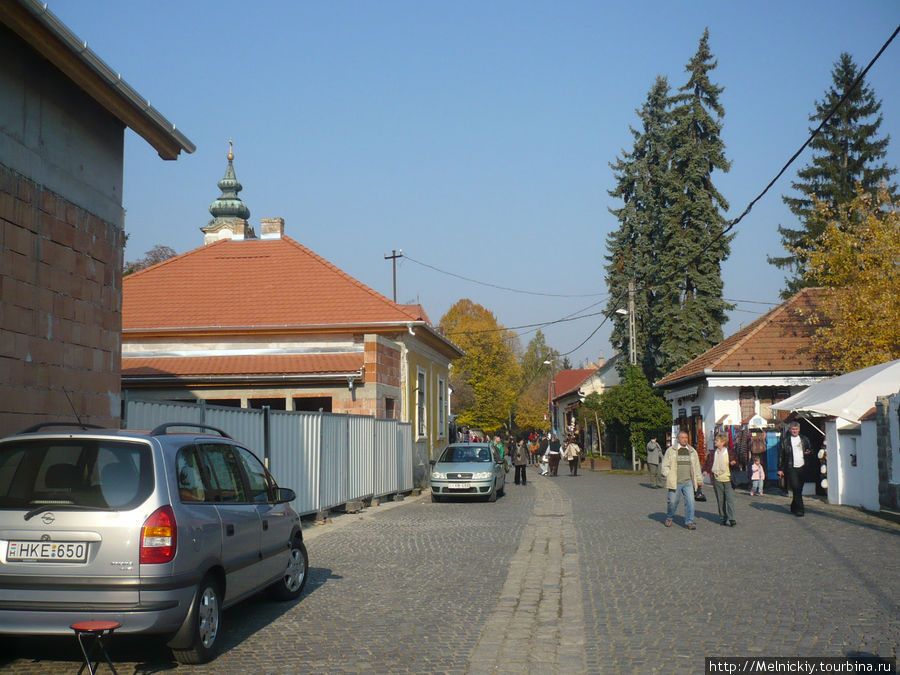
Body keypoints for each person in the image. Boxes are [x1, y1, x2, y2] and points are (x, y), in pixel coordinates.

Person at [660, 430, 702, 530]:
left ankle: (689, 521)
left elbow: (696, 466)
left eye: (686, 437)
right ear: (678, 439)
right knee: (672, 502)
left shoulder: (692, 451)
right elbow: (665, 465)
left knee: (690, 502)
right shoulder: (671, 450)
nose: (684, 439)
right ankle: (670, 517)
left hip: (688, 482)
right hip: (675, 482)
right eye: (682, 437)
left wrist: (699, 479)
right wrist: (668, 474)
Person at [702, 433, 738, 526]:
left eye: (717, 440)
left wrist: (734, 463)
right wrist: (705, 470)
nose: (715, 442)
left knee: (730, 500)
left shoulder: (729, 452)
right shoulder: (713, 453)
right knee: (720, 500)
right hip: (717, 479)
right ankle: (723, 517)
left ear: (722, 442)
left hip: (728, 479)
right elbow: (708, 463)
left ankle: (732, 518)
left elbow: (736, 463)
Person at [778, 421, 812, 517]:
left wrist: (808, 452)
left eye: (796, 429)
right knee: (795, 487)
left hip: (802, 466)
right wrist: (780, 468)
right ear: (790, 430)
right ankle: (800, 510)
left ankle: (794, 506)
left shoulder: (804, 439)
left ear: (799, 430)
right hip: (791, 466)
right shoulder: (785, 441)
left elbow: (810, 449)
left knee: (799, 489)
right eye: (793, 429)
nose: (794, 431)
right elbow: (781, 455)